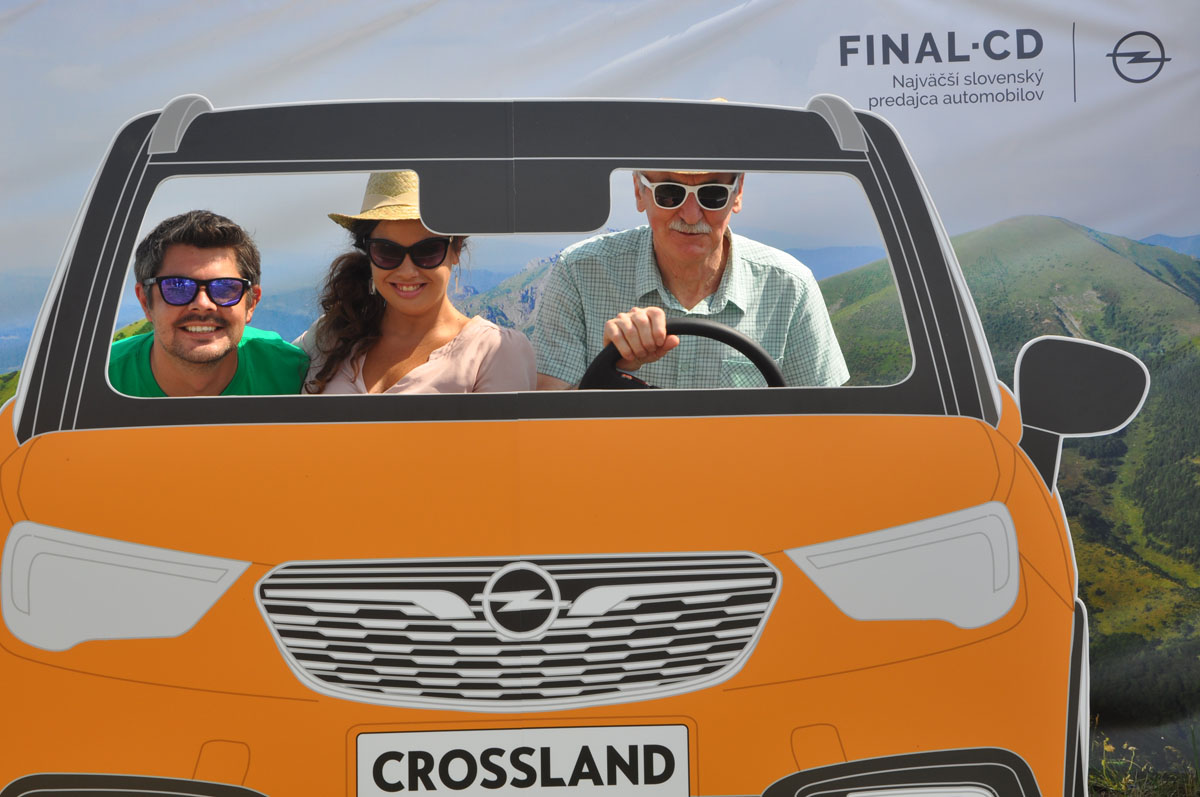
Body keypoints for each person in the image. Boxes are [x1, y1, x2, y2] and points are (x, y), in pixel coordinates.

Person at [534, 170, 849, 389]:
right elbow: (549, 420)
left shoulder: (790, 287)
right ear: (639, 192)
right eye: (669, 193)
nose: (690, 215)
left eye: (712, 195)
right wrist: (617, 369)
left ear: (737, 193)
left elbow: (825, 425)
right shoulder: (579, 272)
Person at [297, 170, 536, 394]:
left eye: (428, 251)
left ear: (456, 248)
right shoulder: (332, 335)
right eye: (387, 251)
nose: (407, 271)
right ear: (368, 253)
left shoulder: (495, 352)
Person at [110, 210, 308, 397]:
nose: (203, 303)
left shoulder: (296, 375)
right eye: (178, 286)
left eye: (225, 287)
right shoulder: (100, 380)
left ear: (252, 303)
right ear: (145, 302)